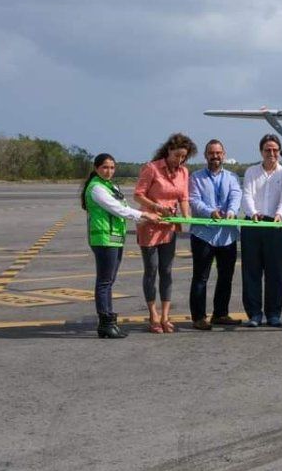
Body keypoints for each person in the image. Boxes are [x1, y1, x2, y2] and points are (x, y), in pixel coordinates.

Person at [81, 153, 160, 339]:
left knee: (109, 281)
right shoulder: (97, 188)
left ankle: (109, 321)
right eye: (104, 168)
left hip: (114, 238)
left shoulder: (111, 186)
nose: (109, 171)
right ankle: (105, 322)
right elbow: (118, 209)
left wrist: (144, 219)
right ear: (96, 168)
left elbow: (122, 210)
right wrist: (145, 215)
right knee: (104, 282)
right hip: (103, 239)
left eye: (112, 168)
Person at [133, 133, 196, 334]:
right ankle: (152, 314)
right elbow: (138, 195)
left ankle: (165, 316)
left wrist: (186, 217)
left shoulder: (184, 172)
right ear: (169, 150)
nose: (180, 160)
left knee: (166, 271)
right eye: (177, 155)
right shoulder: (151, 168)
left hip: (169, 227)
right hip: (150, 225)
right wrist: (157, 207)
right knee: (151, 270)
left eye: (183, 157)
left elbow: (183, 197)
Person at [188, 139, 243, 331]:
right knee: (201, 277)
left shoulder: (233, 177)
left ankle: (220, 314)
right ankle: (198, 317)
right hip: (204, 234)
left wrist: (232, 212)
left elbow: (236, 196)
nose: (215, 156)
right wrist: (210, 212)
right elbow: (194, 200)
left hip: (227, 235)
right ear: (206, 156)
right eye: (211, 153)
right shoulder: (195, 177)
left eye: (218, 153)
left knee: (225, 276)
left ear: (224, 155)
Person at [240, 134, 282, 328]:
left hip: (276, 226)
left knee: (275, 273)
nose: (272, 153)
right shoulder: (252, 171)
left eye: (275, 150)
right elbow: (247, 195)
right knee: (251, 272)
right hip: (253, 225)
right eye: (268, 150)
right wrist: (252, 213)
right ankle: (254, 314)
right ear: (261, 152)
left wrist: (279, 214)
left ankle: (273, 314)